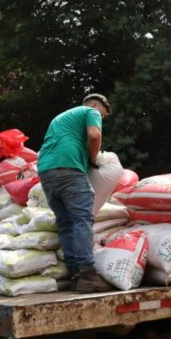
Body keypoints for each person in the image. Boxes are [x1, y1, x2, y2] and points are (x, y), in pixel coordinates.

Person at [37, 93, 113, 293]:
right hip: (68, 169)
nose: (101, 118)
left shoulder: (60, 118)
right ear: (96, 105)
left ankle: (75, 275)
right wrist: (93, 158)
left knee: (66, 223)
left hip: (46, 171)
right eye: (103, 115)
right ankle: (88, 274)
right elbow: (94, 135)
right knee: (82, 219)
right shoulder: (90, 111)